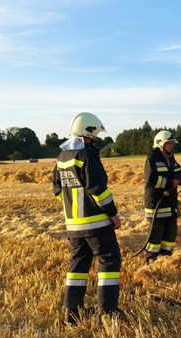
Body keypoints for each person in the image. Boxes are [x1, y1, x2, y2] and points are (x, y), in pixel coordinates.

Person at [52, 112, 126, 325]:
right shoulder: (87, 154)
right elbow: (98, 189)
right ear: (88, 133)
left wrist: (74, 210)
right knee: (109, 260)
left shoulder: (62, 156)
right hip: (96, 221)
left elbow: (58, 190)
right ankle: (108, 310)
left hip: (73, 224)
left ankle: (72, 312)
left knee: (78, 265)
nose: (95, 140)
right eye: (94, 136)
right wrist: (113, 214)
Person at [144, 130, 181, 264]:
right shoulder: (152, 158)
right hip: (156, 204)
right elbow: (152, 179)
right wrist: (171, 183)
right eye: (169, 143)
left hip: (170, 203)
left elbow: (180, 174)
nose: (172, 146)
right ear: (160, 144)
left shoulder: (171, 158)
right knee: (156, 234)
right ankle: (151, 260)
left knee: (171, 232)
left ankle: (166, 260)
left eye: (172, 143)